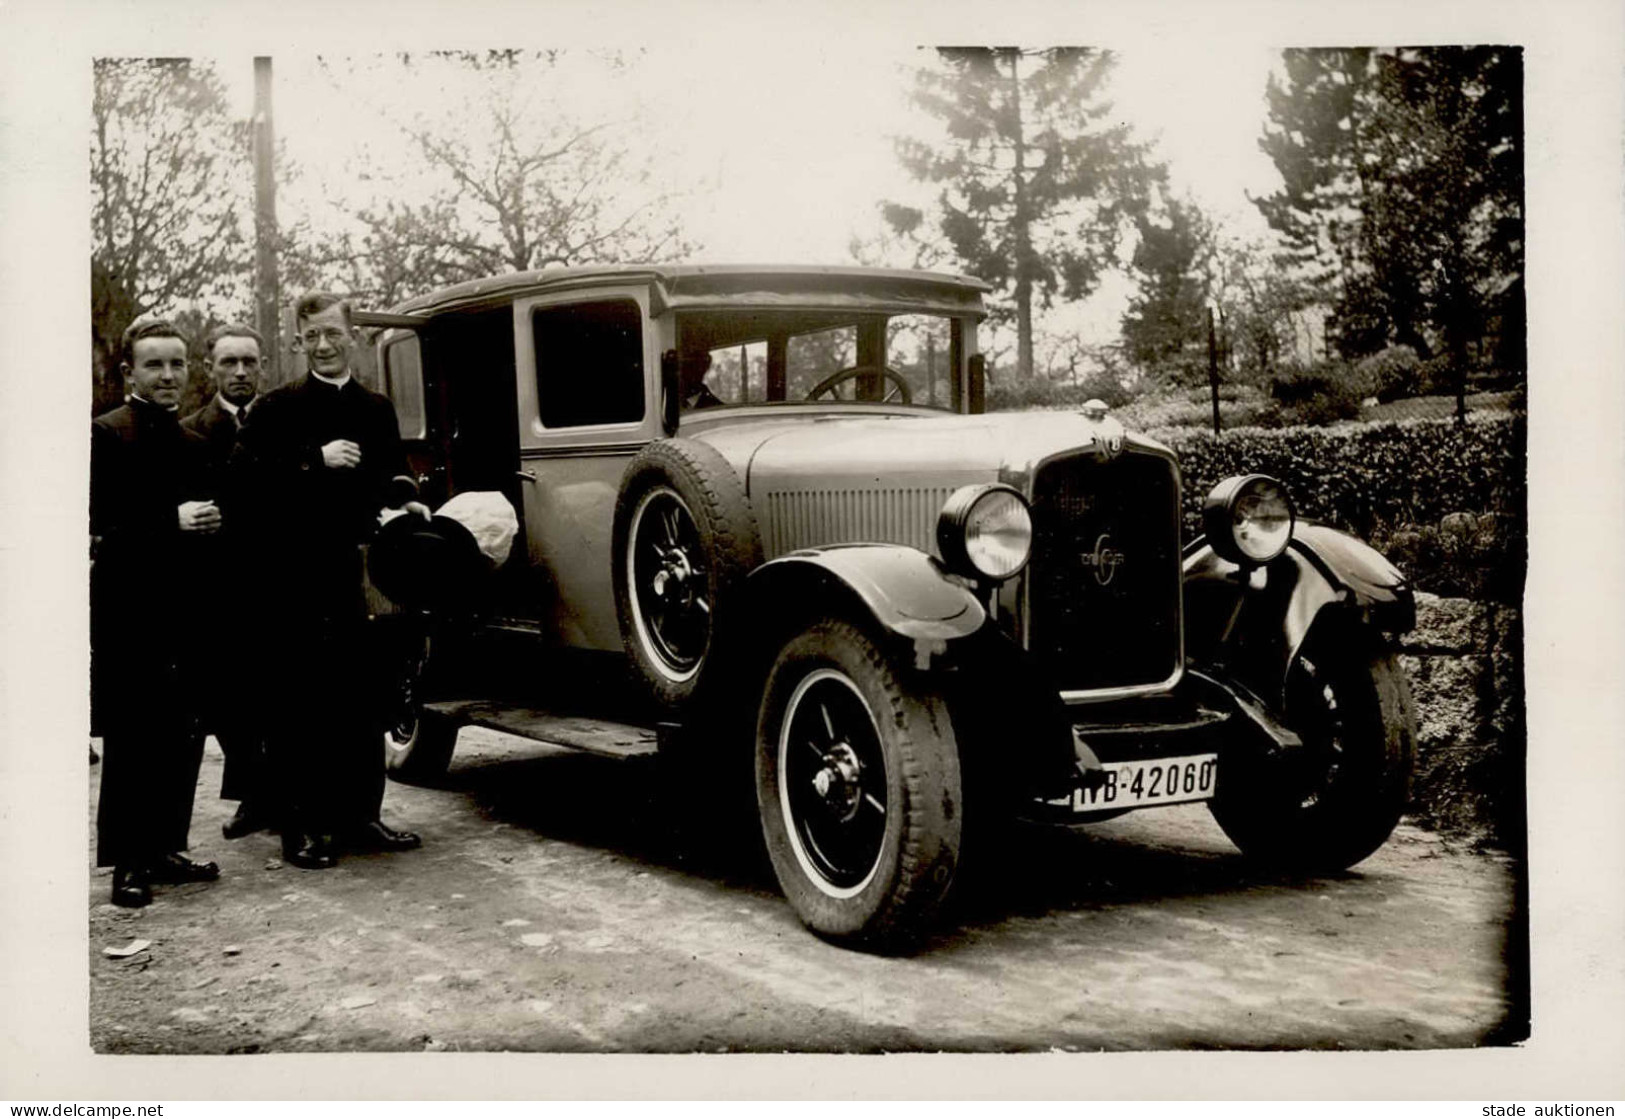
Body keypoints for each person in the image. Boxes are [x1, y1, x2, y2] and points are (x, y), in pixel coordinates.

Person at [231, 291, 429, 870]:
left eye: (332, 334)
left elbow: (394, 474)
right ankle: (304, 830)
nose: (322, 345)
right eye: (311, 335)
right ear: (298, 340)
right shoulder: (275, 408)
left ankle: (362, 816)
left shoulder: (376, 407)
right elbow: (243, 484)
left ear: (354, 338)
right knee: (303, 708)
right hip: (297, 580)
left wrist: (406, 502)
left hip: (363, 577)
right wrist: (312, 460)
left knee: (364, 698)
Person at [91, 319, 222, 907]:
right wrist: (171, 522)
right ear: (129, 374)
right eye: (154, 365)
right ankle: (128, 863)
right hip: (130, 615)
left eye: (177, 364)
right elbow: (99, 532)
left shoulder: (194, 442)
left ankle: (167, 848)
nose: (167, 375)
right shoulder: (106, 436)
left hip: (190, 613)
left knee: (182, 734)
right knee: (132, 738)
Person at [182, 324, 269, 839]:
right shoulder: (192, 431)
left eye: (249, 362)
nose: (240, 372)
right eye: (229, 362)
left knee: (280, 695)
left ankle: (278, 796)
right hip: (219, 588)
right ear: (211, 367)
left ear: (262, 366)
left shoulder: (283, 423)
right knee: (230, 701)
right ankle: (253, 796)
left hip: (281, 581)